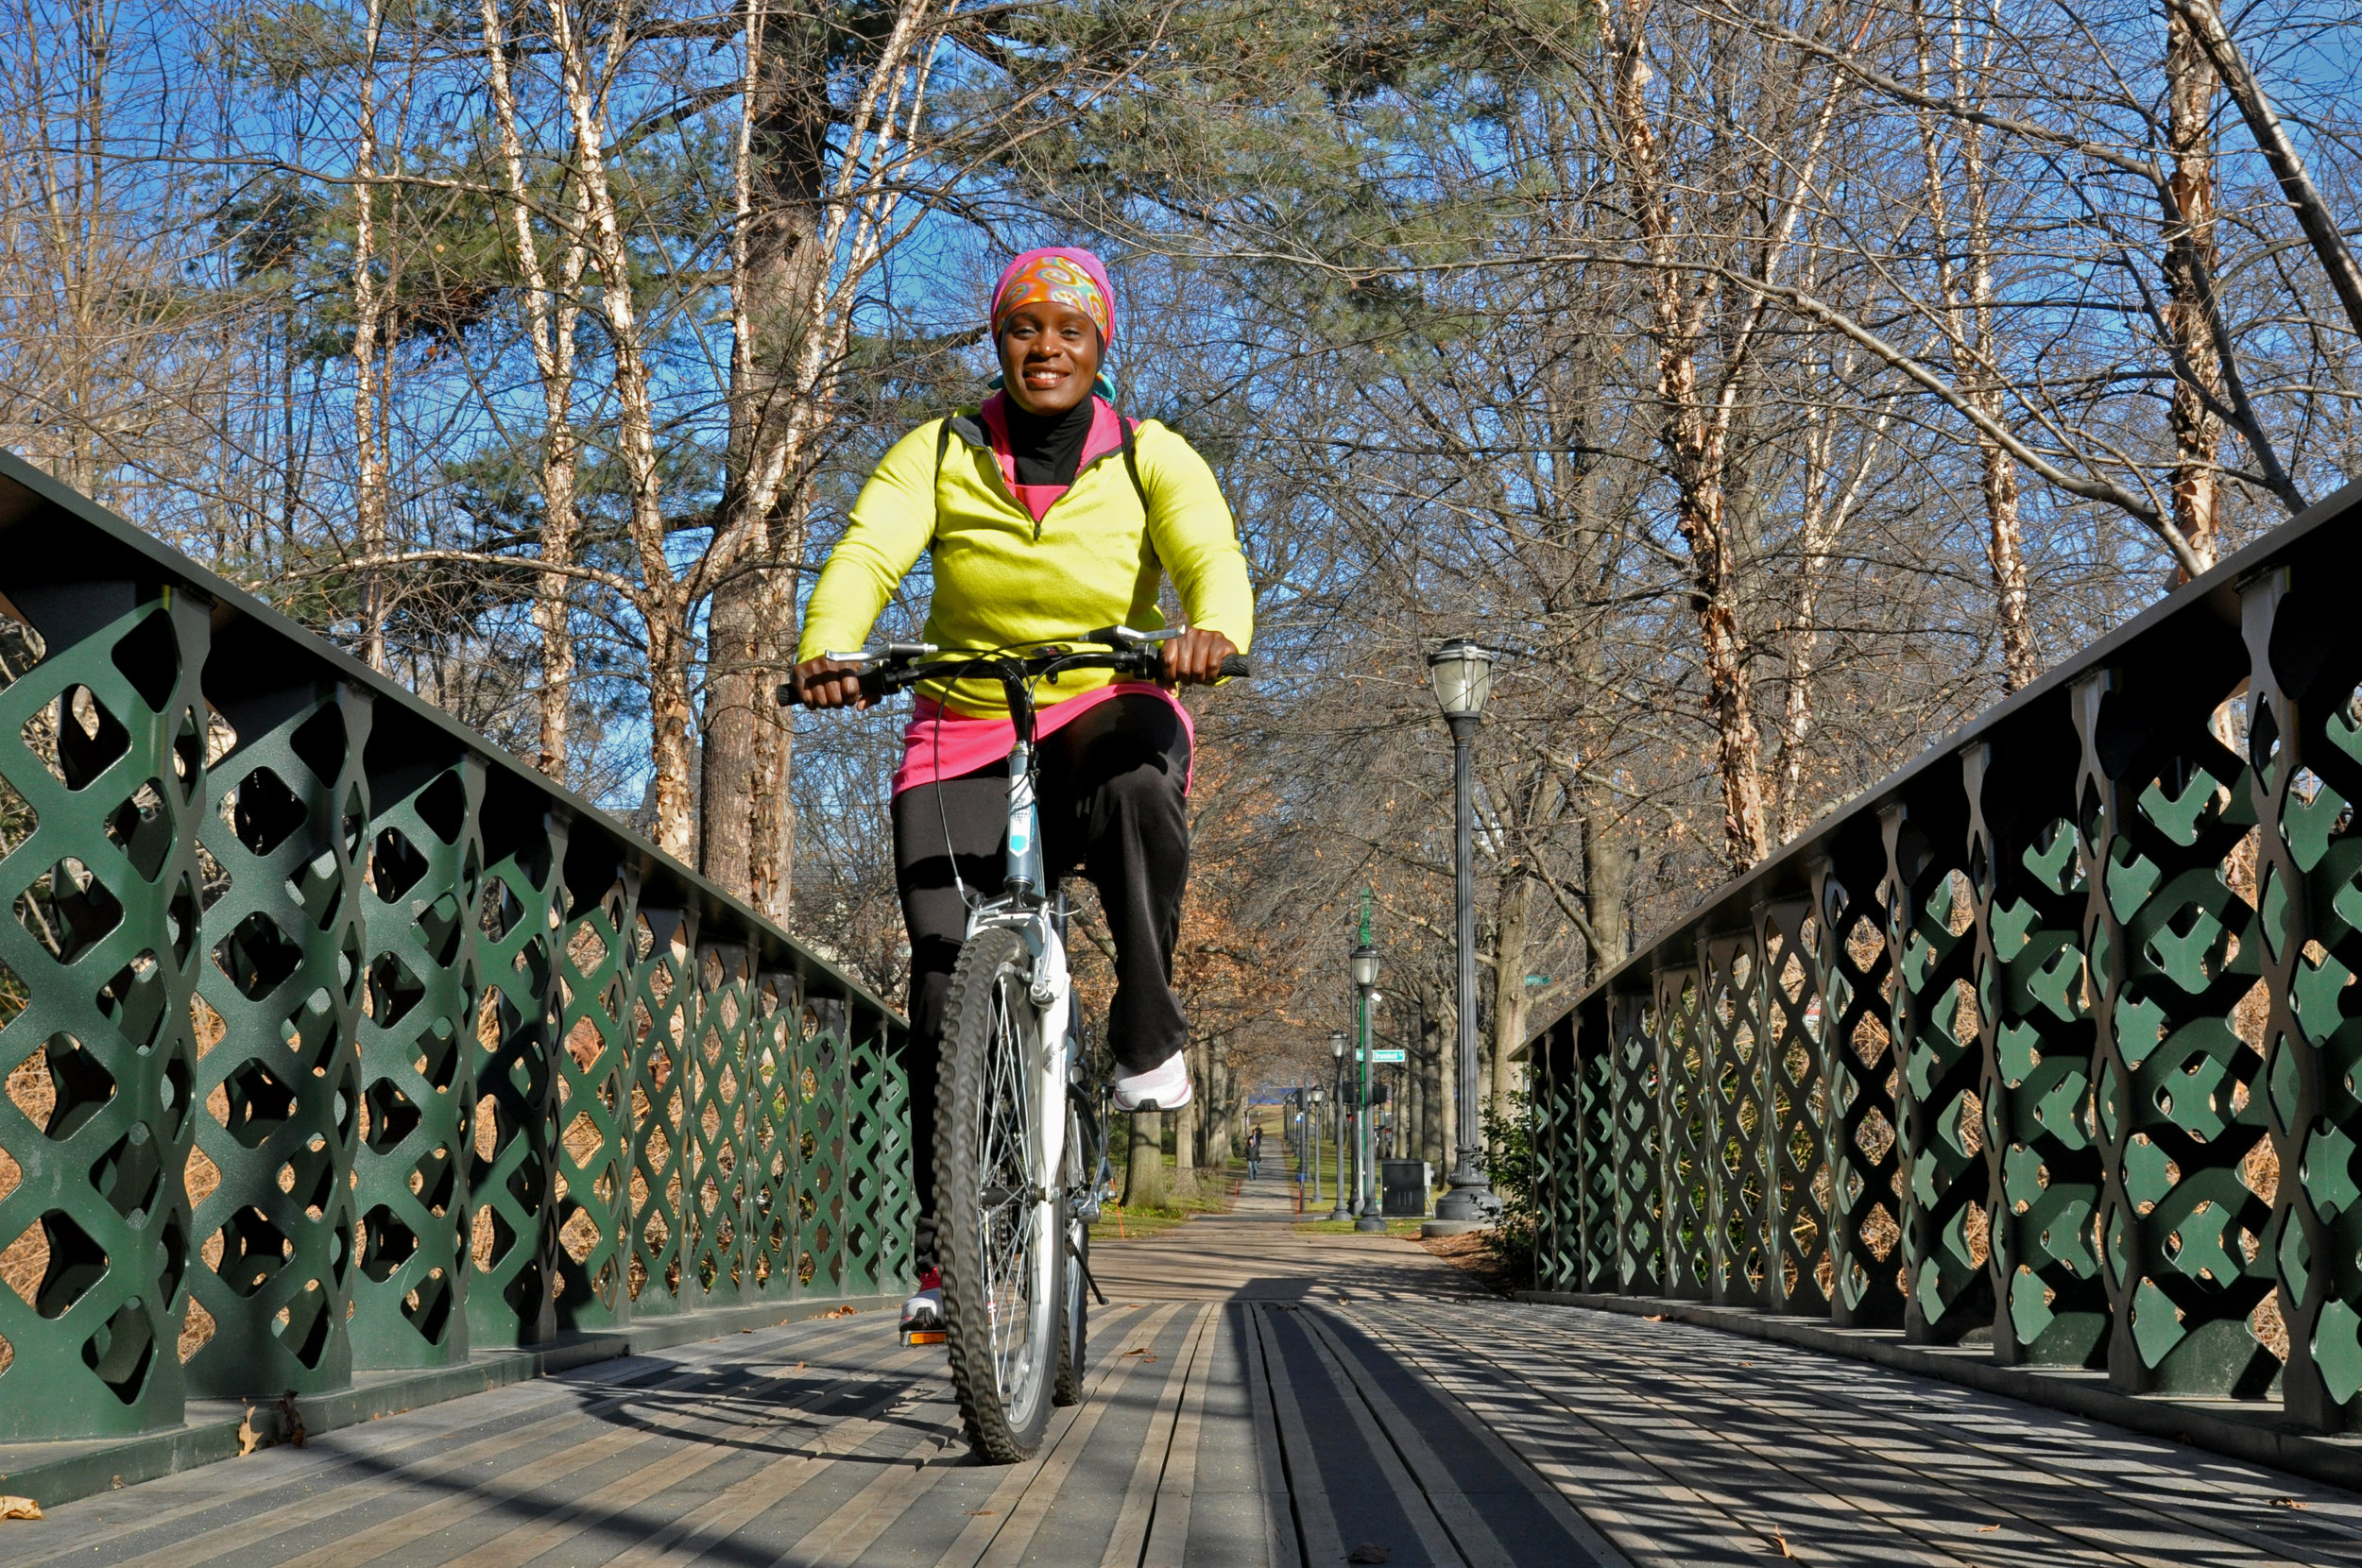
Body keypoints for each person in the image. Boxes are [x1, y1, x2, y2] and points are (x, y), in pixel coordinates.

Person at [796, 247, 1254, 1341]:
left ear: (1102, 348)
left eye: (1071, 330)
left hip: (1099, 710)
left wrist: (1211, 633)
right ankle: (945, 1256)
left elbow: (1211, 554)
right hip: (966, 722)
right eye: (1023, 328)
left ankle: (1144, 1032)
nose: (1046, 347)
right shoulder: (939, 452)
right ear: (997, 342)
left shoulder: (1151, 456)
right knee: (945, 986)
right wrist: (830, 647)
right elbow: (868, 553)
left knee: (1146, 781)